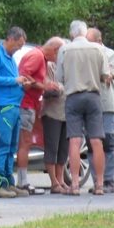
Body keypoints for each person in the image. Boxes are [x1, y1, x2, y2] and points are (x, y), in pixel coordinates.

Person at [55, 20, 107, 195]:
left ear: (71, 34)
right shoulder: (98, 49)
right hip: (93, 96)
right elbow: (105, 75)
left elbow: (59, 79)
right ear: (85, 33)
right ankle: (100, 184)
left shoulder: (64, 50)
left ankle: (75, 185)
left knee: (75, 141)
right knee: (96, 140)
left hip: (73, 97)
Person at [0, 26, 32, 198]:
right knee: (4, 145)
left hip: (14, 106)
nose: (19, 48)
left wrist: (22, 84)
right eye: (18, 45)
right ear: (11, 39)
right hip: (3, 107)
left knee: (12, 146)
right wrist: (14, 80)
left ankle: (9, 182)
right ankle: (0, 184)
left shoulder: (11, 58)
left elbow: (13, 80)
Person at [14, 36, 63, 193]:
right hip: (25, 104)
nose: (58, 60)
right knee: (25, 142)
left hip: (30, 104)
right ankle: (22, 182)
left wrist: (45, 85)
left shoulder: (40, 57)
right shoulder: (36, 56)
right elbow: (23, 76)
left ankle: (22, 181)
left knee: (25, 142)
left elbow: (32, 78)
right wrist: (45, 87)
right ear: (54, 50)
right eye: (59, 55)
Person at [86, 27, 114, 193]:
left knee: (110, 144)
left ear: (99, 42)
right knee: (92, 144)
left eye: (90, 42)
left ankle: (110, 180)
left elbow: (108, 76)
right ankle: (97, 180)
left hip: (108, 106)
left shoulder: (112, 55)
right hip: (91, 107)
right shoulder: (84, 55)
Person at [39, 39, 70, 194]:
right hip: (52, 112)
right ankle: (54, 182)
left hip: (66, 112)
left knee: (64, 149)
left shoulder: (69, 67)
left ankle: (61, 179)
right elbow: (47, 86)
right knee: (52, 147)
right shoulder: (49, 65)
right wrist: (59, 88)